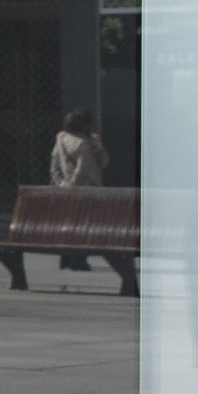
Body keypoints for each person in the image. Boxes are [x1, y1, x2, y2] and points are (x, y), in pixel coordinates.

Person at [45, 106, 137, 296]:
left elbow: (54, 166)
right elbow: (85, 169)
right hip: (88, 192)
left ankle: (71, 258)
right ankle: (82, 260)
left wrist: (63, 183)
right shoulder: (82, 144)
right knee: (98, 232)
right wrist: (74, 185)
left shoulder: (62, 141)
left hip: (67, 192)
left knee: (75, 226)